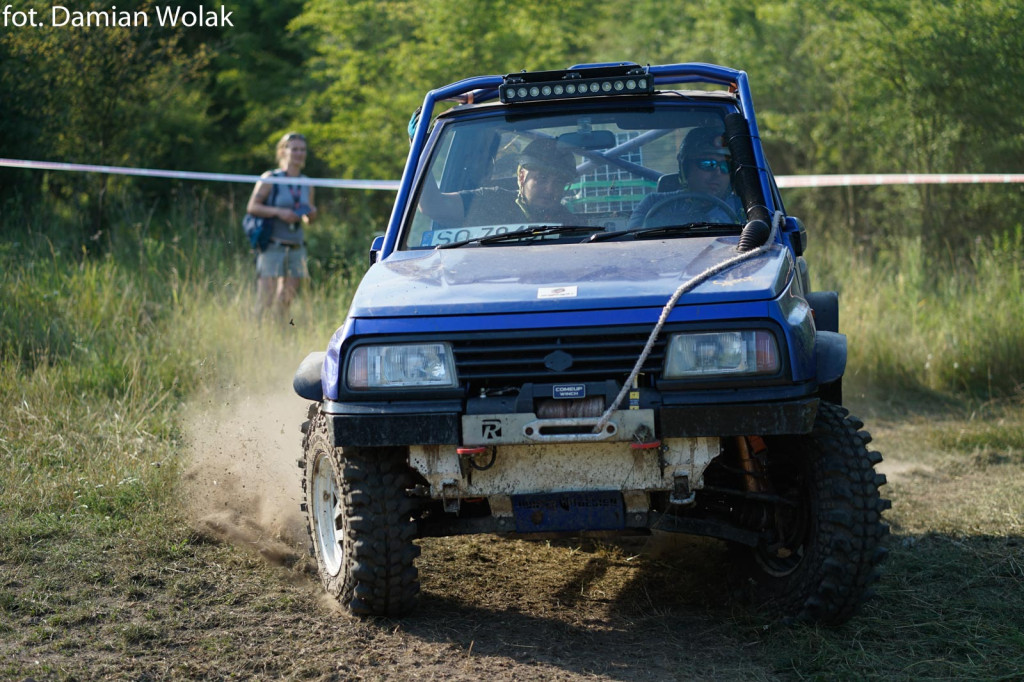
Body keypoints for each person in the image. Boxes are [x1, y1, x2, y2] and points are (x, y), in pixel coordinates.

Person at [418, 137, 578, 226]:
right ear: (522, 177)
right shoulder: (489, 201)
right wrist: (419, 148)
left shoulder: (571, 225)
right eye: (541, 179)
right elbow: (433, 205)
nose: (550, 189)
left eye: (558, 182)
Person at [246, 132, 318, 320]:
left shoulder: (307, 183)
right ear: (283, 151)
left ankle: (279, 335)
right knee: (265, 301)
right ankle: (256, 337)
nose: (299, 153)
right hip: (273, 247)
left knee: (286, 301)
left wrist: (310, 215)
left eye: (302, 150)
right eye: (294, 149)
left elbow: (308, 219)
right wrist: (279, 212)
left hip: (296, 248)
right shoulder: (270, 178)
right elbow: (252, 207)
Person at [627, 127, 744, 229]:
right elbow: (635, 243)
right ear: (686, 169)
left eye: (726, 166)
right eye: (708, 164)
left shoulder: (743, 208)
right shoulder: (652, 203)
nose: (717, 173)